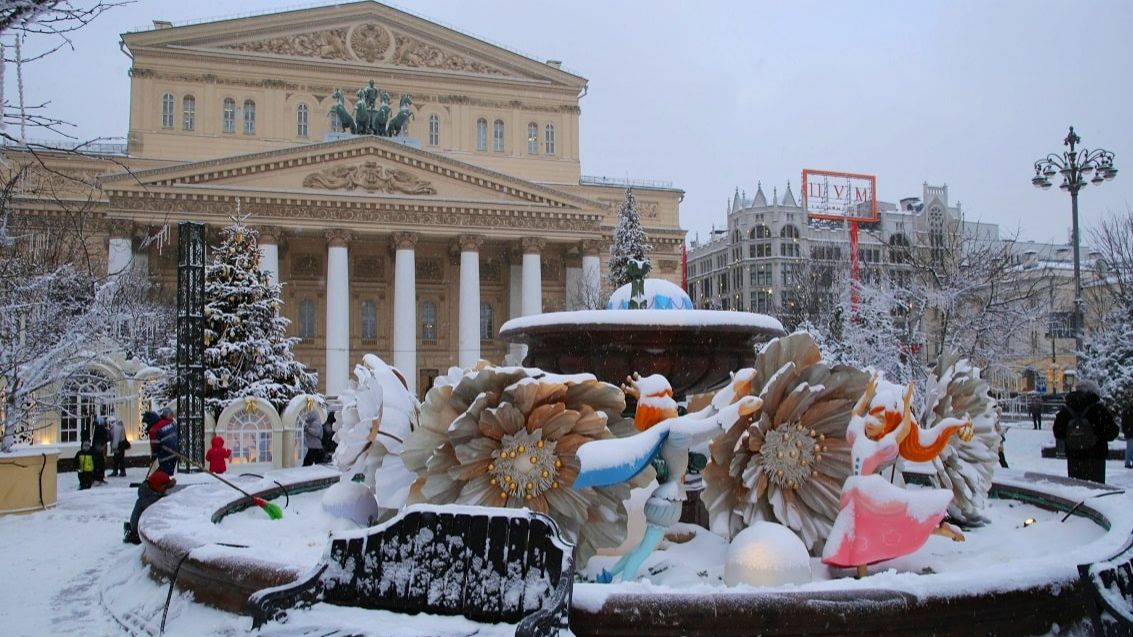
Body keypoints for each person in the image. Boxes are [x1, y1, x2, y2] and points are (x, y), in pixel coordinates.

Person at [1053, 380, 1118, 484]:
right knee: (1096, 489)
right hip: (1096, 457)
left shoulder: (1065, 411)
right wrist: (1096, 436)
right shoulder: (1098, 410)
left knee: (1076, 488)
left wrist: (1073, 436)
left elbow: (1058, 432)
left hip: (1074, 457)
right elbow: (1113, 432)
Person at [123, 470, 176, 545]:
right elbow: (163, 510)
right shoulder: (149, 500)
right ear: (157, 487)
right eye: (165, 487)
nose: (166, 490)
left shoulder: (150, 493)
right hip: (139, 534)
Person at [148, 408, 179, 476]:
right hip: (175, 452)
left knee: (164, 474)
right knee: (167, 472)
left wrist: (154, 456)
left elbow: (155, 445)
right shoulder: (171, 423)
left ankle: (161, 481)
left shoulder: (154, 429)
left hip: (165, 455)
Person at [91, 416, 110, 484]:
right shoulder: (102, 430)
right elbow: (105, 439)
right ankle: (99, 477)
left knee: (97, 463)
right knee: (100, 463)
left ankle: (97, 477)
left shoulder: (96, 429)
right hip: (100, 448)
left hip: (97, 448)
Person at [1122, 401, 1133, 469]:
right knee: (1129, 449)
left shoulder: (1126, 412)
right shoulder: (1127, 412)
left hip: (1129, 433)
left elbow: (1124, 423)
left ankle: (1127, 463)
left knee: (1129, 449)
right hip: (1130, 433)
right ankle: (1127, 463)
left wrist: (1125, 431)